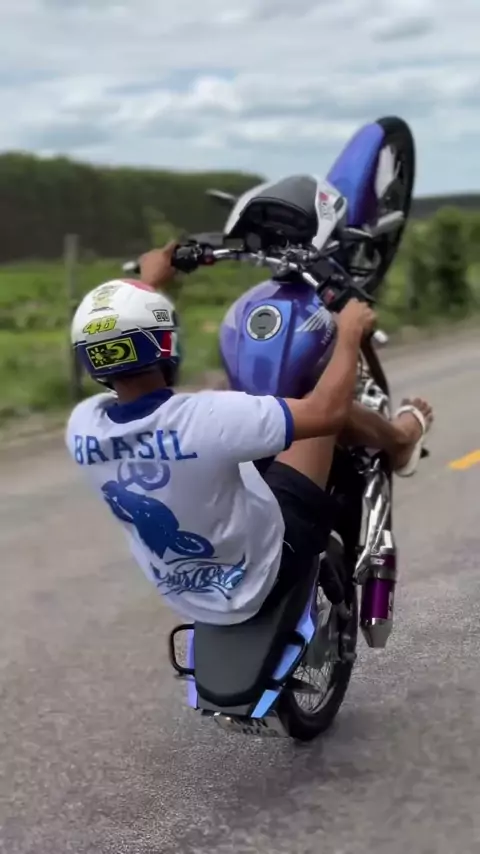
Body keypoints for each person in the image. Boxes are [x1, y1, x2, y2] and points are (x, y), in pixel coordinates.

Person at [66, 243, 433, 626]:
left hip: (189, 595)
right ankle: (400, 440)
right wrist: (349, 333)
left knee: (233, 404)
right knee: (312, 406)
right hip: (262, 571)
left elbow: (121, 350)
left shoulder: (82, 427)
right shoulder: (206, 418)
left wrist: (148, 283)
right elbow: (326, 413)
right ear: (167, 342)